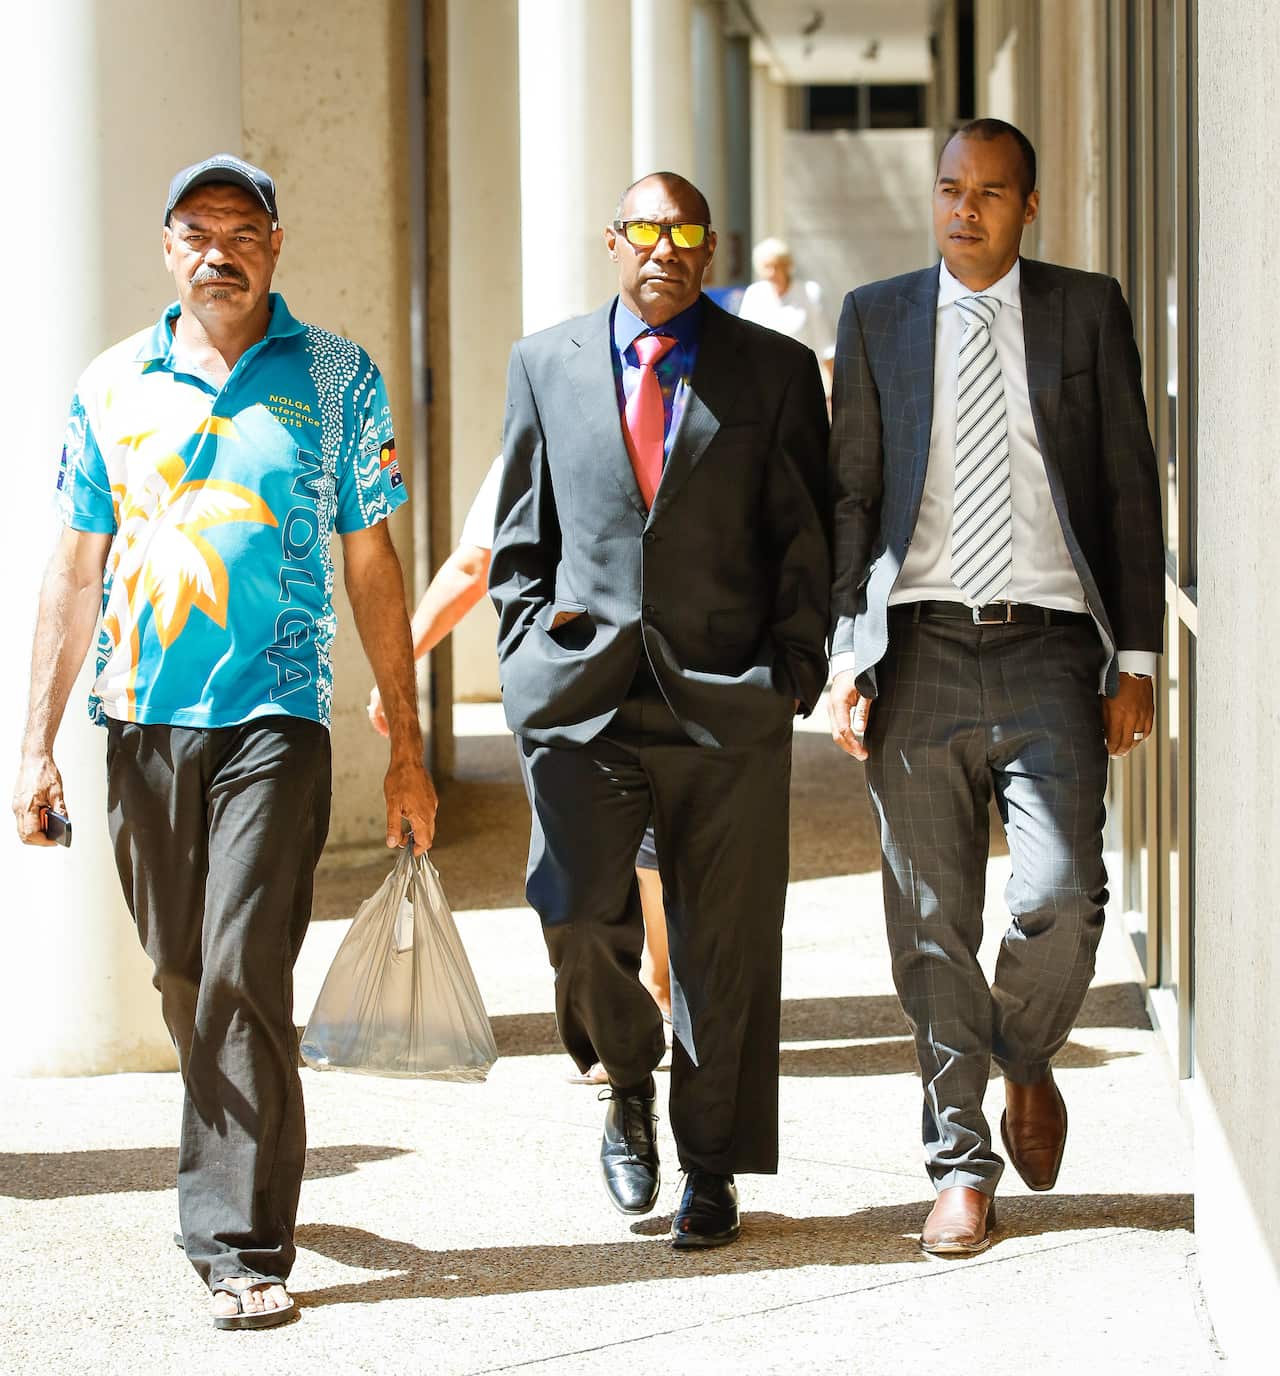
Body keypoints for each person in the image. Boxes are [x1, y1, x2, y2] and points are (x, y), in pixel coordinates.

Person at [11, 155, 438, 1329]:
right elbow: (72, 567)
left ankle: (241, 1240)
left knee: (246, 967)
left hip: (277, 717)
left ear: (276, 244)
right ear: (166, 250)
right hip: (142, 714)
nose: (218, 250)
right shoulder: (109, 385)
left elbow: (372, 561)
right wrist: (36, 743)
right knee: (186, 971)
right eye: (195, 231)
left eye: (241, 229)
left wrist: (406, 743)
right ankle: (232, 1153)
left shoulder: (340, 376)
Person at [826, 119, 1163, 1256]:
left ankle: (1023, 1054)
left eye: (989, 192)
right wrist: (847, 654)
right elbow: (851, 499)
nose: (963, 209)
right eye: (948, 189)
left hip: (1048, 649)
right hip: (916, 644)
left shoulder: (1083, 307)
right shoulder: (875, 316)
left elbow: (1125, 482)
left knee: (1059, 896)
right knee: (926, 920)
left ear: (1028, 206)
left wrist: (1137, 656)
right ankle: (958, 1163)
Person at [490, 171, 829, 1249]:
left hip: (725, 700)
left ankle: (712, 1168)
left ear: (709, 245)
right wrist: (526, 651)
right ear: (612, 239)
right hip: (582, 698)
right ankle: (624, 1079)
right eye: (644, 229)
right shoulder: (542, 363)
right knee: (577, 911)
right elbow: (517, 538)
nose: (663, 249)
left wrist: (792, 672)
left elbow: (804, 536)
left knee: (724, 945)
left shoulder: (771, 370)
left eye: (684, 231)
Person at [365, 459, 673, 1045]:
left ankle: (633, 1007)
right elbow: (475, 561)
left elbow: (475, 563)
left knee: (586, 854)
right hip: (639, 666)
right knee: (650, 847)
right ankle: (654, 991)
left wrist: (403, 662)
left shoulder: (533, 440)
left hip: (568, 670)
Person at [738, 237, 835, 393]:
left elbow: (826, 345)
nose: (772, 273)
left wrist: (831, 390)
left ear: (788, 266)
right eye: (767, 267)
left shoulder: (810, 293)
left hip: (802, 382)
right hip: (763, 384)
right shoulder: (754, 294)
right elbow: (744, 343)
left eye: (777, 266)